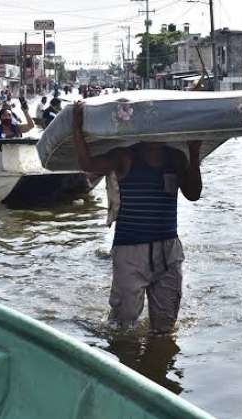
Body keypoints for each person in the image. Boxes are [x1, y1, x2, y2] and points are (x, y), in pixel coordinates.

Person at [71, 102, 202, 333]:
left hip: (168, 251)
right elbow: (87, 164)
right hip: (130, 252)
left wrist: (194, 152)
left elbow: (193, 194)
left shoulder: (177, 158)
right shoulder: (125, 157)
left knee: (165, 328)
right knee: (122, 326)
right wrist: (77, 125)